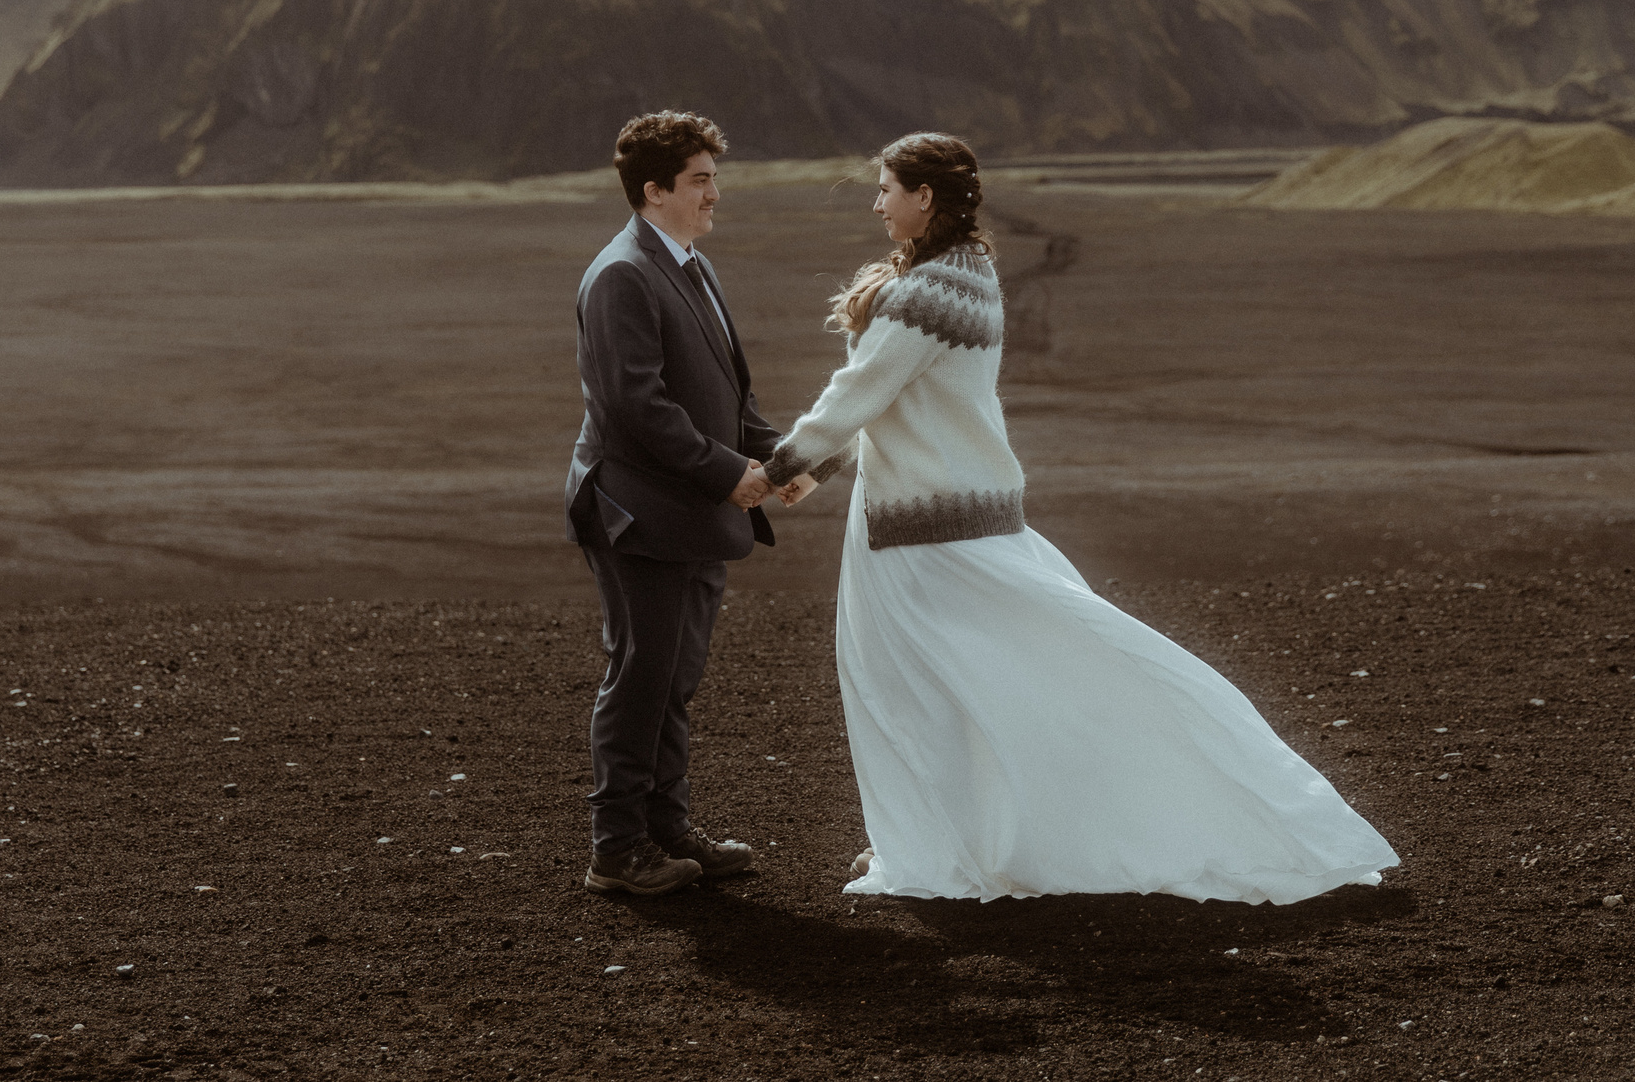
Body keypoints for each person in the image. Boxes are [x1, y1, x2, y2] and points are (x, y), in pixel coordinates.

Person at [763, 132, 1399, 902]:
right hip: (964, 520)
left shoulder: (927, 290)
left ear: (923, 197)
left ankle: (935, 848)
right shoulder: (971, 274)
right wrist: (822, 468)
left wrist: (781, 468)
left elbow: (863, 388)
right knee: (984, 683)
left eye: (887, 188)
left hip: (923, 535)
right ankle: (932, 837)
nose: (877, 202)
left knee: (906, 693)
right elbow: (905, 401)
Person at [564, 110, 779, 895]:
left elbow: (729, 391)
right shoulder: (623, 273)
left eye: (713, 177)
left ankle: (665, 826)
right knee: (641, 673)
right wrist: (729, 472)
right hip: (638, 513)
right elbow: (637, 406)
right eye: (700, 180)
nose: (715, 193)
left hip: (687, 512)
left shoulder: (688, 262)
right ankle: (616, 848)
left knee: (673, 676)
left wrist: (776, 456)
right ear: (654, 190)